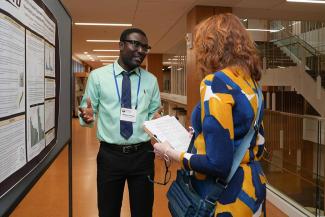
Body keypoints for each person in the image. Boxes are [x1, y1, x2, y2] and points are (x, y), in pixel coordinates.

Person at [154, 13, 266, 217]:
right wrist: (199, 137)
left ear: (210, 47)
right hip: (252, 187)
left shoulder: (216, 83)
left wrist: (170, 152)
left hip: (226, 196)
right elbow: (251, 139)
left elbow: (218, 164)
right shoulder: (251, 84)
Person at [79, 28, 161, 217]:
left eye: (145, 47)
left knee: (143, 211)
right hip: (110, 156)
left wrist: (158, 123)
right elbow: (88, 111)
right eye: (135, 44)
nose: (141, 50)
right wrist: (87, 116)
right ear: (121, 45)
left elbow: (153, 115)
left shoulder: (151, 81)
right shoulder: (98, 77)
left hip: (143, 155)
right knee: (108, 211)